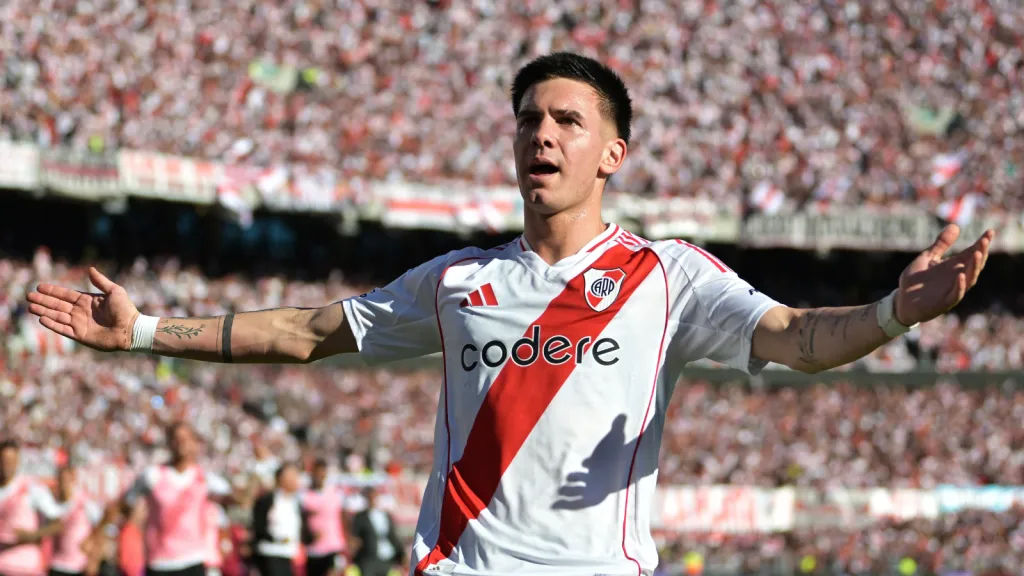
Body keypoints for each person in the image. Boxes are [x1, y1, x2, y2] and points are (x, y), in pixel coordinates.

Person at [26, 52, 994, 575]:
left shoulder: (668, 276)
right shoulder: (455, 283)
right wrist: (148, 334)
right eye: (530, 118)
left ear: (613, 152)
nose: (543, 133)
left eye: (568, 120)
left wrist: (889, 311)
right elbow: (310, 333)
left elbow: (798, 339)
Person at [101, 423, 233, 576]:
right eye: (177, 438)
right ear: (170, 443)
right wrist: (102, 534)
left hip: (193, 560)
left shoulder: (205, 479)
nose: (182, 443)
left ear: (195, 443)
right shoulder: (153, 476)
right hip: (160, 562)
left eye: (186, 438)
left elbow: (233, 501)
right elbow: (122, 504)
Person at [0, 440, 64, 576]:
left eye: (11, 460)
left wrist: (32, 535)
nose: (7, 465)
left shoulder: (31, 487)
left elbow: (57, 524)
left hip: (25, 566)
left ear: (17, 461)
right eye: (4, 460)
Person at [250, 464, 311, 576]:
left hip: (290, 553)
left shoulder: (295, 502)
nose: (296, 480)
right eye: (292, 477)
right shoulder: (268, 500)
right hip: (271, 552)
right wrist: (276, 538)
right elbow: (259, 525)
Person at [49, 466, 104, 576]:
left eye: (67, 479)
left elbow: (102, 526)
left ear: (73, 480)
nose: (64, 483)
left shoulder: (84, 502)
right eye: (61, 479)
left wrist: (94, 558)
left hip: (79, 566)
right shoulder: (52, 503)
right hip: (56, 564)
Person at [301, 460, 346, 576]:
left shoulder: (335, 493)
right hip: (313, 548)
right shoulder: (304, 495)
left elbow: (343, 517)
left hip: (333, 545)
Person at [348, 487, 401, 576]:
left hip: (386, 558)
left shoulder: (385, 515)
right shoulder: (360, 517)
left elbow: (392, 536)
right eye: (370, 497)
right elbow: (354, 537)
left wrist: (401, 554)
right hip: (368, 559)